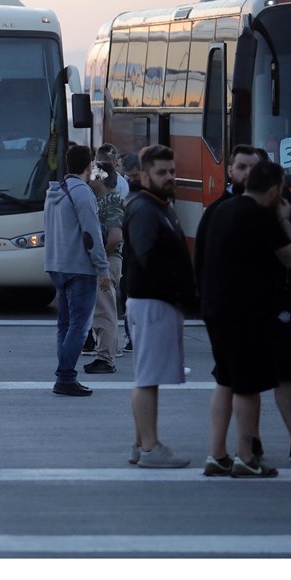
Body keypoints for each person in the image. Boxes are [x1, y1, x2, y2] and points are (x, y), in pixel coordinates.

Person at [197, 154, 291, 476]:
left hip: (216, 309)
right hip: (245, 314)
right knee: (248, 388)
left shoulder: (221, 209)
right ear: (277, 189)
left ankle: (216, 454)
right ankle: (247, 458)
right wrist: (283, 219)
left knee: (225, 380)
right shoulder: (261, 215)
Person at [123, 145, 194, 468]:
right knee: (148, 378)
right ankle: (150, 448)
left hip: (159, 302)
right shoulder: (143, 208)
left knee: (148, 376)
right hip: (152, 302)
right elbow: (146, 255)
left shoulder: (159, 206)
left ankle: (142, 445)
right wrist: (176, 290)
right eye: (162, 172)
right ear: (143, 175)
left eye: (171, 171)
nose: (169, 177)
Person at [43, 144, 111, 397]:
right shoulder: (83, 193)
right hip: (79, 267)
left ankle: (64, 374)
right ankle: (65, 376)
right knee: (80, 327)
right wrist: (102, 268)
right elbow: (91, 234)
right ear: (88, 166)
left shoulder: (54, 191)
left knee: (65, 325)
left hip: (56, 264)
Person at [84, 161, 124, 375]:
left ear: (101, 178)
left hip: (108, 261)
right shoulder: (101, 199)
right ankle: (103, 355)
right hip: (106, 260)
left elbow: (115, 236)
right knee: (101, 309)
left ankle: (105, 358)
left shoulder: (112, 199)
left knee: (104, 310)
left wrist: (99, 257)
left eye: (92, 173)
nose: (88, 176)